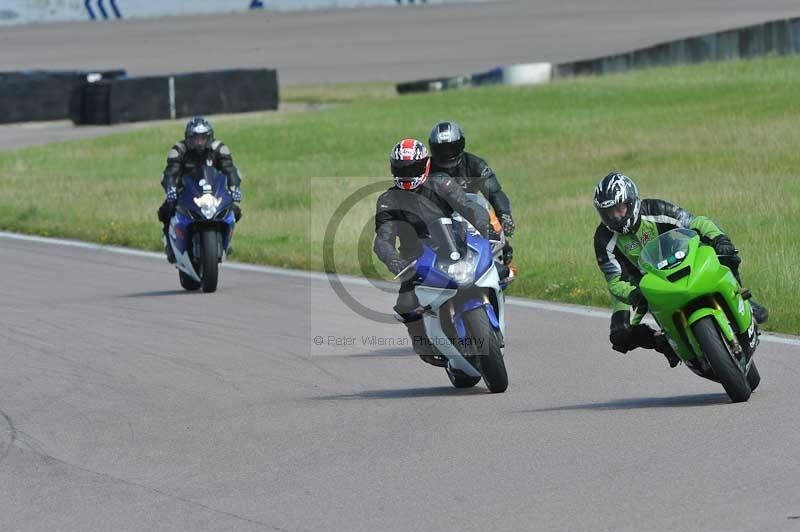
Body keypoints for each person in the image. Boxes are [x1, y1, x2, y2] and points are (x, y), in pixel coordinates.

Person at [592, 172, 768, 367]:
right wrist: (633, 294)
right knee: (620, 335)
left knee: (727, 254)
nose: (615, 217)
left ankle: (744, 299)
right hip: (640, 284)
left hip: (679, 259)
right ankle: (663, 342)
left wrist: (720, 238)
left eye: (619, 208)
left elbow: (696, 222)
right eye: (608, 213)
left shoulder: (655, 209)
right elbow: (614, 281)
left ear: (631, 202)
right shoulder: (603, 239)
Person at [374, 138, 492, 366]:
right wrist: (395, 261)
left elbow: (468, 207)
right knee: (406, 305)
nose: (407, 174)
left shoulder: (442, 183)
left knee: (494, 266)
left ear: (426, 165)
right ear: (393, 169)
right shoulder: (388, 200)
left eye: (413, 169)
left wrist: (484, 226)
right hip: (416, 261)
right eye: (401, 169)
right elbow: (383, 239)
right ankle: (423, 343)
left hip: (452, 246)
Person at [428, 121, 516, 282]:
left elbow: (495, 192)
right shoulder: (427, 167)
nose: (447, 154)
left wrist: (505, 214)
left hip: (472, 212)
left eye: (451, 148)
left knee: (499, 237)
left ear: (461, 145)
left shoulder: (476, 164)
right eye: (442, 150)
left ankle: (498, 260)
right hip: (440, 215)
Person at [157, 117, 242, 262]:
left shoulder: (219, 148)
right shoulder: (179, 149)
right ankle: (169, 244)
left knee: (235, 211)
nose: (199, 142)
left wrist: (234, 187)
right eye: (195, 138)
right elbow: (170, 172)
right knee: (166, 210)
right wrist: (170, 188)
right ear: (188, 138)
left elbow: (230, 170)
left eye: (203, 138)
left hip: (213, 192)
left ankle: (227, 240)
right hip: (186, 192)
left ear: (209, 137)